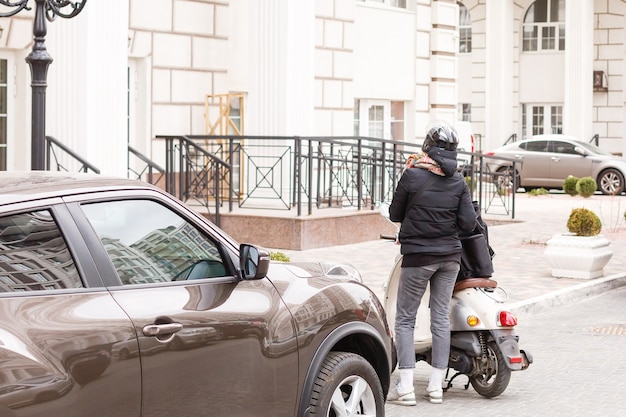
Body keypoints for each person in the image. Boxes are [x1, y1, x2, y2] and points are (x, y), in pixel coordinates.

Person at [386, 122, 477, 406]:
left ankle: (406, 388)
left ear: (427, 147)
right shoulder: (458, 181)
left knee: (405, 318)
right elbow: (468, 223)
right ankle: (436, 388)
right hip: (449, 258)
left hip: (418, 258)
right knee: (439, 318)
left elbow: (394, 213)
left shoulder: (412, 175)